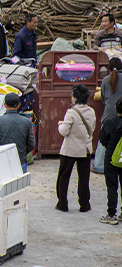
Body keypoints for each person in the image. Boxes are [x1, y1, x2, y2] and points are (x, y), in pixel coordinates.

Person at [55, 84, 95, 212]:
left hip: (70, 150)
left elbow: (64, 131)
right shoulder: (91, 111)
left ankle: (62, 204)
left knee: (63, 177)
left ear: (75, 98)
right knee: (84, 178)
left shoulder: (71, 112)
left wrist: (60, 124)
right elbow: (92, 128)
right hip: (85, 149)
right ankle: (84, 204)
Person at [0, 93, 35, 173]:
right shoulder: (27, 122)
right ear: (19, 105)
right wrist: (22, 152)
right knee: (21, 181)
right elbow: (31, 143)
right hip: (21, 160)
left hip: (2, 160)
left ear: (5, 105)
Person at [93, 58, 122, 173]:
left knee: (103, 141)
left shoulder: (105, 80)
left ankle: (99, 166)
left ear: (108, 68)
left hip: (109, 114)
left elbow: (104, 98)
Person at [98, 98, 122, 225]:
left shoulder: (109, 123)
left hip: (111, 157)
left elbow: (102, 139)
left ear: (115, 108)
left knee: (112, 186)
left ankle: (112, 214)